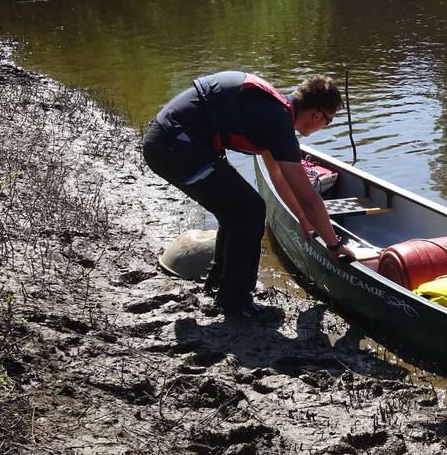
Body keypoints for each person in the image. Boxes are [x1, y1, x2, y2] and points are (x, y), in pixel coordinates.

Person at [142, 71, 355, 317]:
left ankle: (218, 285)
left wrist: (303, 220)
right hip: (175, 146)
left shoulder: (274, 112)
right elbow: (308, 196)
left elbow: (279, 178)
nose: (324, 126)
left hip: (170, 140)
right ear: (317, 114)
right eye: (328, 121)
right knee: (250, 210)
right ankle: (236, 301)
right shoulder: (278, 123)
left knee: (236, 208)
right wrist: (334, 244)